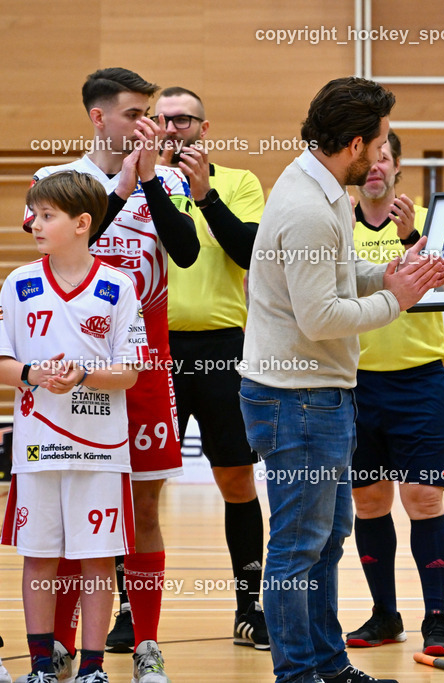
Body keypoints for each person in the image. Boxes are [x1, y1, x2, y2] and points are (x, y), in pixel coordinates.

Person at [238, 77, 444, 683]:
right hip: (297, 399)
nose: (383, 154)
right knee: (298, 548)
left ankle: (328, 667)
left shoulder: (319, 183)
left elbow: (336, 270)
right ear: (355, 144)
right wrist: (397, 298)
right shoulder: (310, 207)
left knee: (326, 539)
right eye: (380, 142)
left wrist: (386, 272)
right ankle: (299, 674)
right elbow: (321, 317)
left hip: (313, 395)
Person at [25, 67, 198, 683]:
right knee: (72, 508)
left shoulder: (168, 179)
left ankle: (146, 642)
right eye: (133, 113)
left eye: (150, 113)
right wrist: (120, 190)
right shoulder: (54, 182)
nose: (147, 124)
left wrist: (148, 181)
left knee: (145, 507)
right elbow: (66, 249)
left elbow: (186, 253)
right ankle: (62, 643)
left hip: (142, 363)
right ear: (99, 117)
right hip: (71, 368)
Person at [1, 171, 147, 683]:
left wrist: (83, 374)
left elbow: (129, 372)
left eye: (47, 216)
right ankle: (41, 666)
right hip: (37, 447)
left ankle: (92, 667)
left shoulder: (118, 286)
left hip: (100, 450)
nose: (34, 224)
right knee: (39, 558)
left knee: (97, 560)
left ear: (82, 223)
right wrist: (32, 374)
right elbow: (2, 362)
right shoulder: (18, 283)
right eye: (34, 214)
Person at [151, 86, 269, 649]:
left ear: (204, 127)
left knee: (237, 481)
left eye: (184, 120)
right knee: (141, 488)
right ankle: (130, 613)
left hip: (224, 349)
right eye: (163, 119)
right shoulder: (136, 185)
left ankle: (249, 609)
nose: (173, 129)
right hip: (153, 351)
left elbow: (250, 252)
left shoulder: (239, 183)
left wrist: (205, 197)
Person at [344, 130, 444, 656]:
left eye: (385, 158)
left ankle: (436, 619)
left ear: (397, 170)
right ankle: (384, 615)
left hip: (420, 382)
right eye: (369, 158)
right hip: (356, 384)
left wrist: (413, 237)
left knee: (423, 499)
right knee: (369, 502)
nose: (376, 167)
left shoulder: (431, 227)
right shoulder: (336, 227)